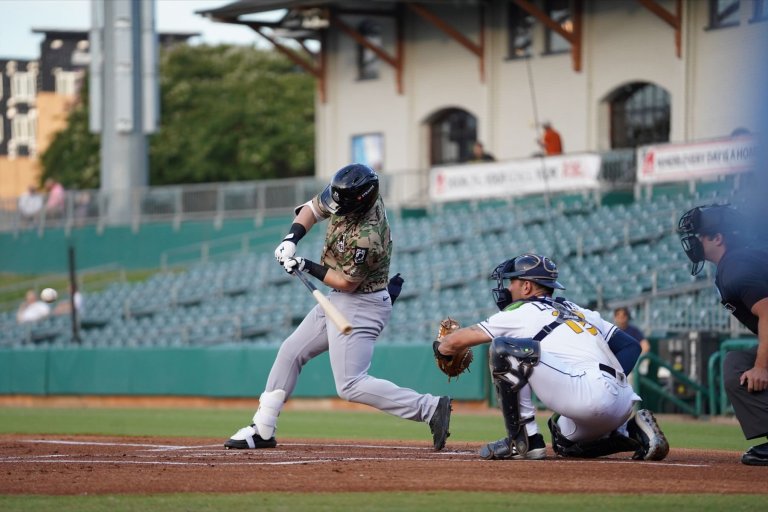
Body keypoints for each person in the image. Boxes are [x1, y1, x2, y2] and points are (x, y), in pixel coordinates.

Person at [225, 163, 452, 451]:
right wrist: (291, 238)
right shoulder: (347, 194)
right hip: (340, 300)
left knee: (351, 385)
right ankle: (263, 428)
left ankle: (430, 408)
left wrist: (306, 265)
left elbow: (346, 282)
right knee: (291, 351)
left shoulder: (369, 235)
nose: (335, 207)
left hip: (361, 303)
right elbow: (312, 208)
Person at [435, 253, 668, 461]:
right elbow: (630, 347)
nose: (507, 288)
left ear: (526, 287)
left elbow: (457, 341)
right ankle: (632, 432)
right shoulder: (575, 309)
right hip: (623, 402)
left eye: (512, 282)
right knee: (563, 440)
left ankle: (523, 441)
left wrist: (441, 349)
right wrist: (609, 386)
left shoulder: (521, 311)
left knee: (503, 349)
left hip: (589, 395)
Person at [678, 204, 768, 466]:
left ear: (717, 238)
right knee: (736, 364)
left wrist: (762, 367)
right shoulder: (739, 260)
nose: (691, 242)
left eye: (698, 236)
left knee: (742, 365)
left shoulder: (736, 266)